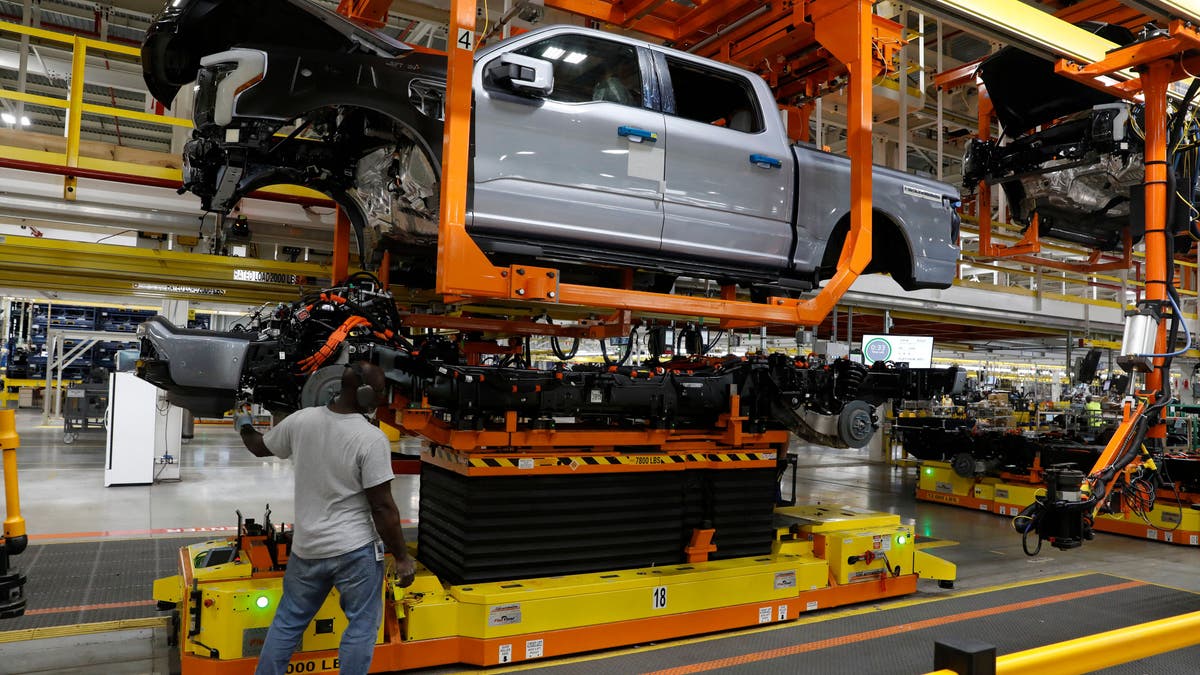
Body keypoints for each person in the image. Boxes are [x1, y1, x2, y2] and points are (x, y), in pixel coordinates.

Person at [234, 361, 416, 675]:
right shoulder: (371, 439)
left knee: (288, 621)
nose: (384, 397)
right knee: (361, 626)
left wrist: (244, 423)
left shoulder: (301, 421)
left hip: (307, 550)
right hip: (354, 552)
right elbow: (383, 507)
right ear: (363, 393)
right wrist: (401, 557)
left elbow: (258, 447)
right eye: (381, 391)